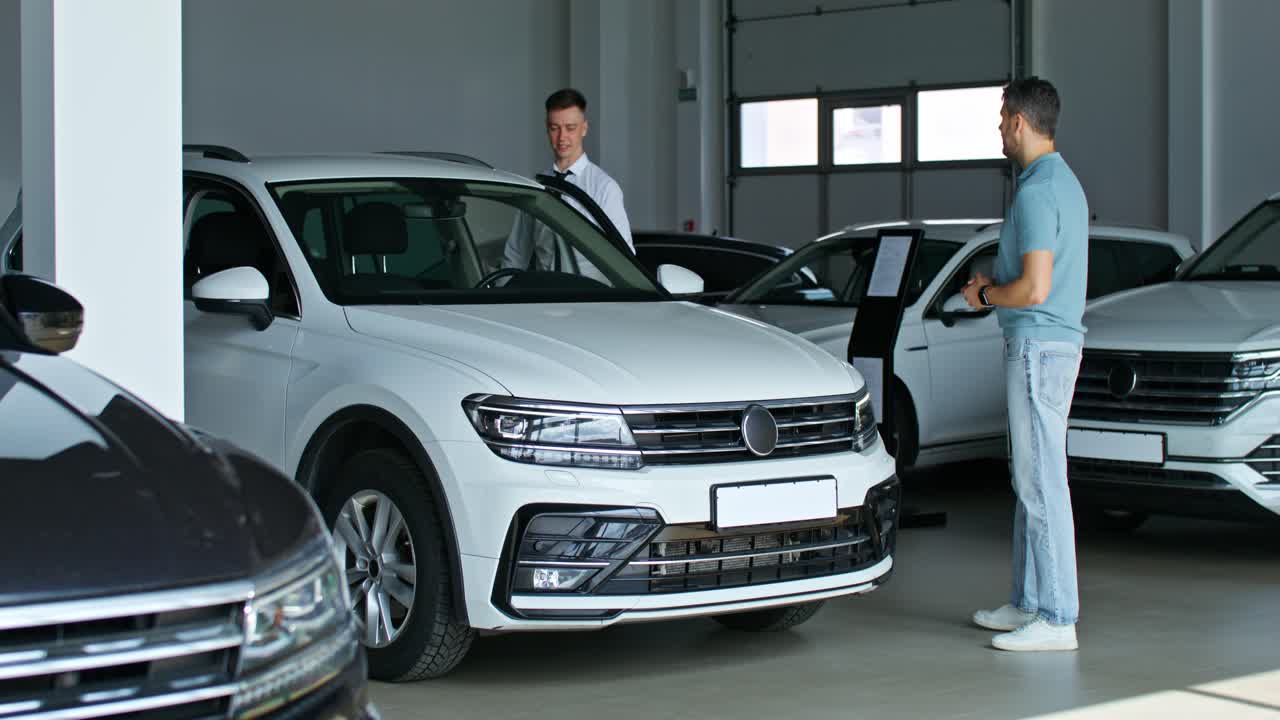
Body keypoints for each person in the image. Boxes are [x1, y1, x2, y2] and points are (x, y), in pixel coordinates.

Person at [965, 77, 1088, 652]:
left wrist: (985, 295)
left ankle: (1057, 617)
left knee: (1041, 484)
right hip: (1047, 346)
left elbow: (1035, 288)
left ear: (1018, 121)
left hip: (1039, 346)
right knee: (1032, 479)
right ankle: (1028, 603)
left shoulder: (1038, 192)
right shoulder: (1061, 184)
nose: (998, 129)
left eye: (1000, 118)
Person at [502, 88, 633, 281]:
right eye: (555, 128)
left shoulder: (604, 187)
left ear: (584, 128)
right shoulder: (535, 186)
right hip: (545, 297)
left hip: (590, 299)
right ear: (547, 129)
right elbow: (516, 253)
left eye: (570, 128)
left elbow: (625, 258)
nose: (562, 137)